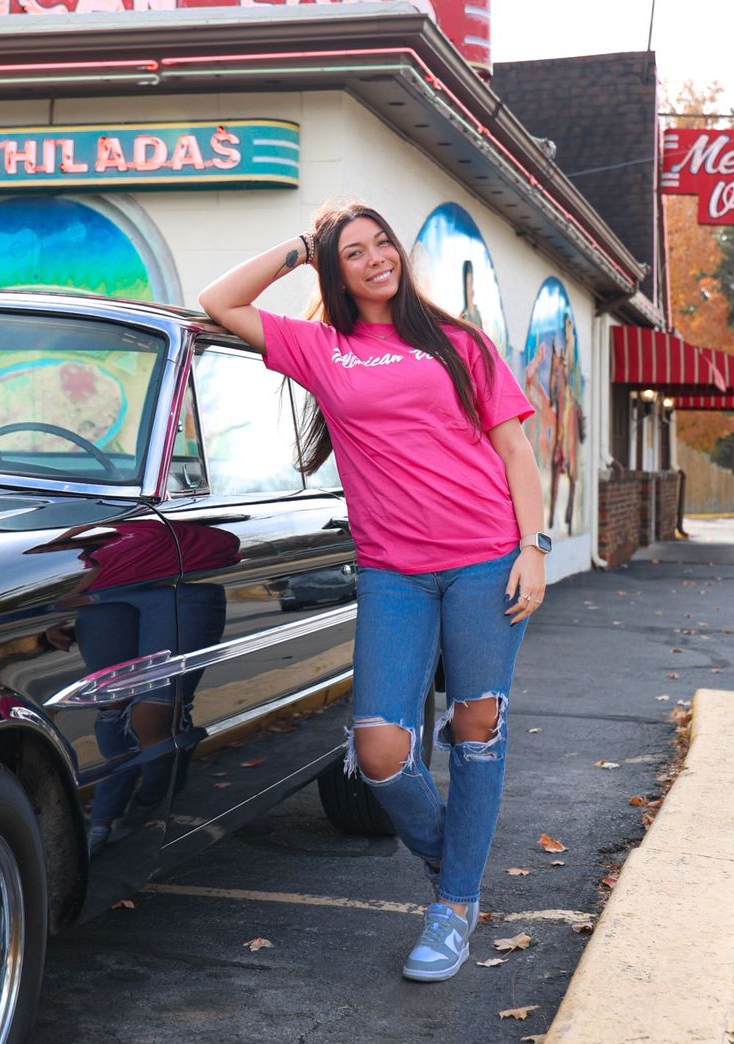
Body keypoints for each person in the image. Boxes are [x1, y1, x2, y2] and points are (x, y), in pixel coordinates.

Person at [198, 201, 548, 982]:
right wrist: (300, 246)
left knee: (475, 728)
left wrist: (534, 547)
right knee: (381, 747)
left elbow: (516, 451)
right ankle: (454, 872)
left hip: (486, 559)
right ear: (336, 269)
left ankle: (453, 908)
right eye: (352, 252)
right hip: (395, 571)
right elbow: (219, 303)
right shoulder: (323, 349)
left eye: (381, 242)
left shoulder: (459, 342)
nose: (375, 258)